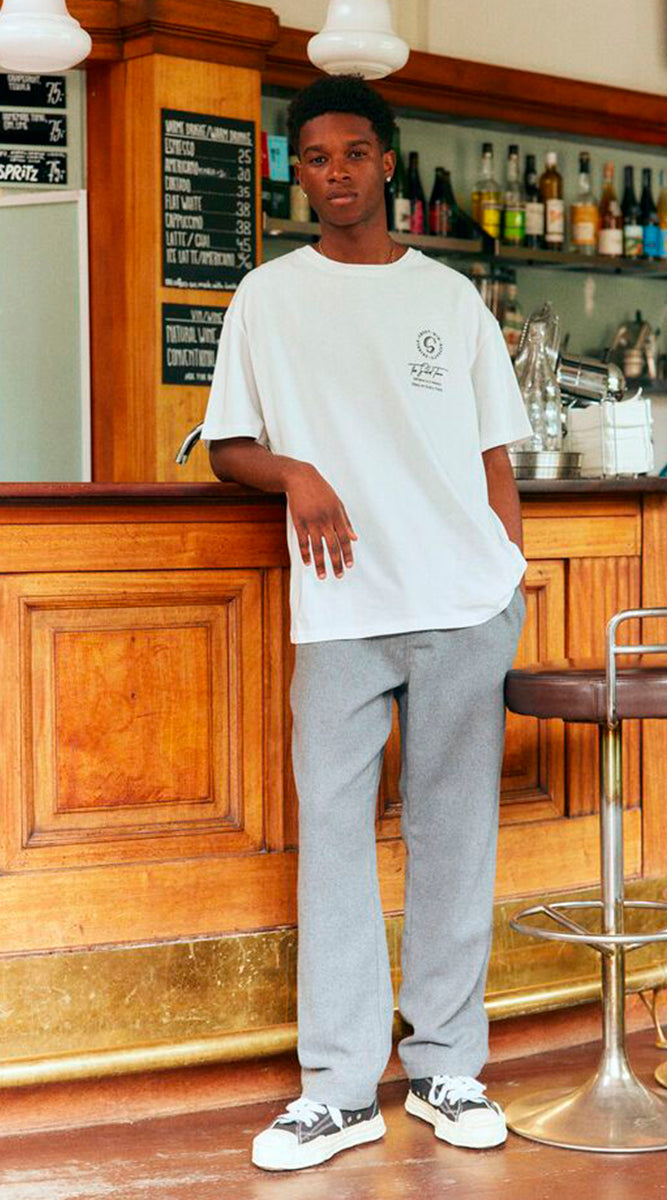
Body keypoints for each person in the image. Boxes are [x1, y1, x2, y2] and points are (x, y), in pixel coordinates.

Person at [201, 73, 532, 1172]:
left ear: (388, 162)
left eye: (352, 153)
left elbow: (492, 455)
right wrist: (295, 472)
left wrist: (504, 573)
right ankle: (340, 1091)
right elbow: (227, 447)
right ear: (296, 174)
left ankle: (446, 1068)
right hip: (340, 606)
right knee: (335, 842)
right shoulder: (266, 296)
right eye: (314, 158)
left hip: (461, 602)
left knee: (454, 837)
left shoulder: (450, 296)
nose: (334, 172)